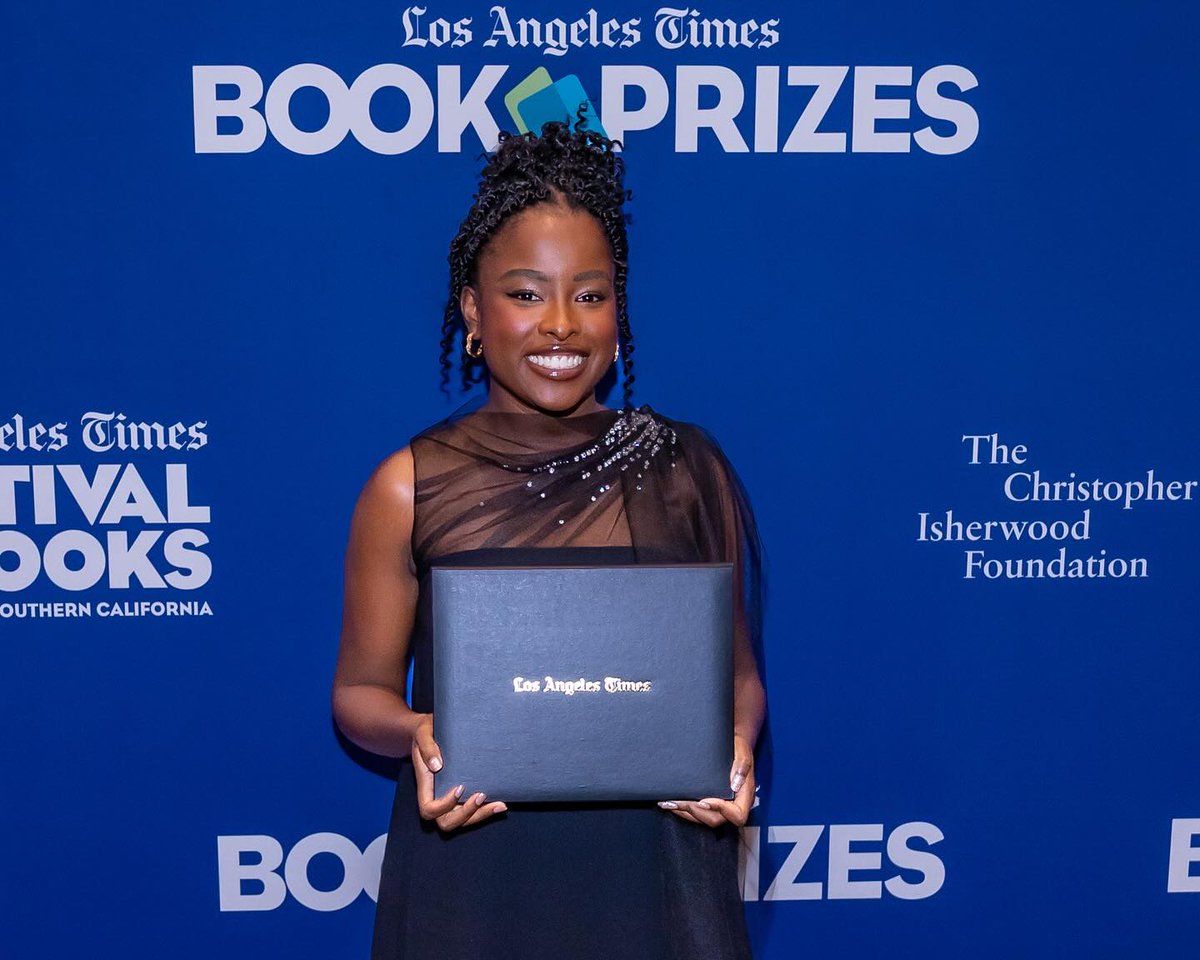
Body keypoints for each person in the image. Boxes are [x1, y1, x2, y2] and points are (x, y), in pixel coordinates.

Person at [332, 118, 766, 960]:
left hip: (660, 868)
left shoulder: (689, 467)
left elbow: (739, 678)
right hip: (477, 869)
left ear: (619, 311)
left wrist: (736, 749)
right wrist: (421, 735)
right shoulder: (406, 484)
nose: (561, 325)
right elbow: (358, 695)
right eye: (526, 293)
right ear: (472, 309)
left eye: (591, 294)